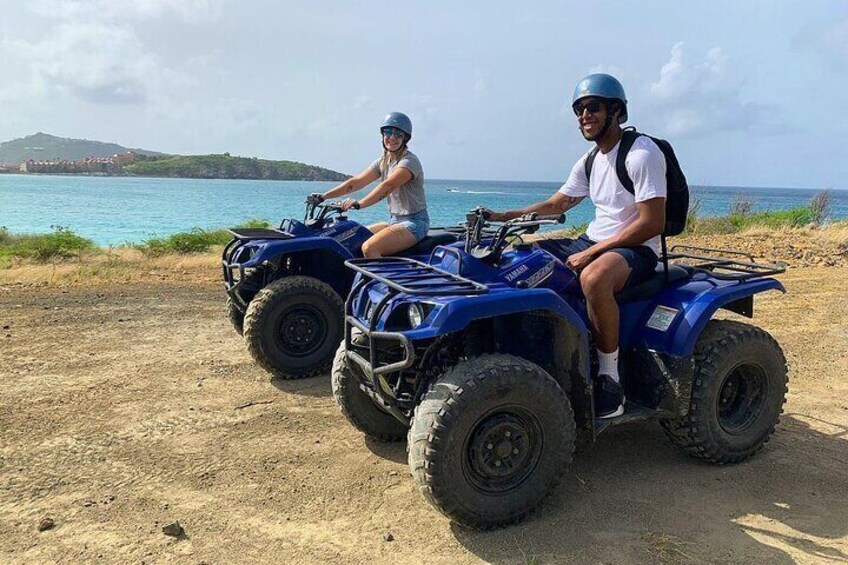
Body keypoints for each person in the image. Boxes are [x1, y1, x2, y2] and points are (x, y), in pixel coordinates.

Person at [484, 73, 667, 418]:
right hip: (596, 241)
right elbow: (558, 204)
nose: (584, 115)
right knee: (521, 261)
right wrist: (505, 215)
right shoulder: (590, 160)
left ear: (616, 111)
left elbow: (651, 223)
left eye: (592, 107)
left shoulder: (641, 154)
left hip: (637, 249)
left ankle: (609, 380)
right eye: (579, 109)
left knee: (594, 279)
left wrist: (594, 251)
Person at [316, 112, 428, 258]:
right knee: (354, 236)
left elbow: (388, 186)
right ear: (382, 135)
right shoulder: (384, 161)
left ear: (405, 137)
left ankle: (383, 281)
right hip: (394, 221)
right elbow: (356, 182)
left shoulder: (409, 162)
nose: (392, 137)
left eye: (398, 133)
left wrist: (359, 204)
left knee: (370, 248)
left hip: (414, 223)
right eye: (388, 132)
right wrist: (323, 196)